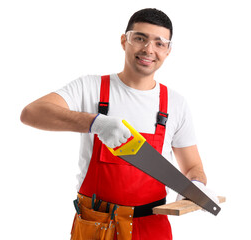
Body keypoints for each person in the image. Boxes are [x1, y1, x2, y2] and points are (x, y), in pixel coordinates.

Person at [20, 8, 219, 240]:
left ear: (168, 51)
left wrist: (196, 185)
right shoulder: (90, 87)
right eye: (140, 38)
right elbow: (31, 113)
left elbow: (193, 166)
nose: (148, 49)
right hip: (97, 227)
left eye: (159, 43)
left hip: (152, 228)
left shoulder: (176, 103)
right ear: (124, 41)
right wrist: (95, 122)